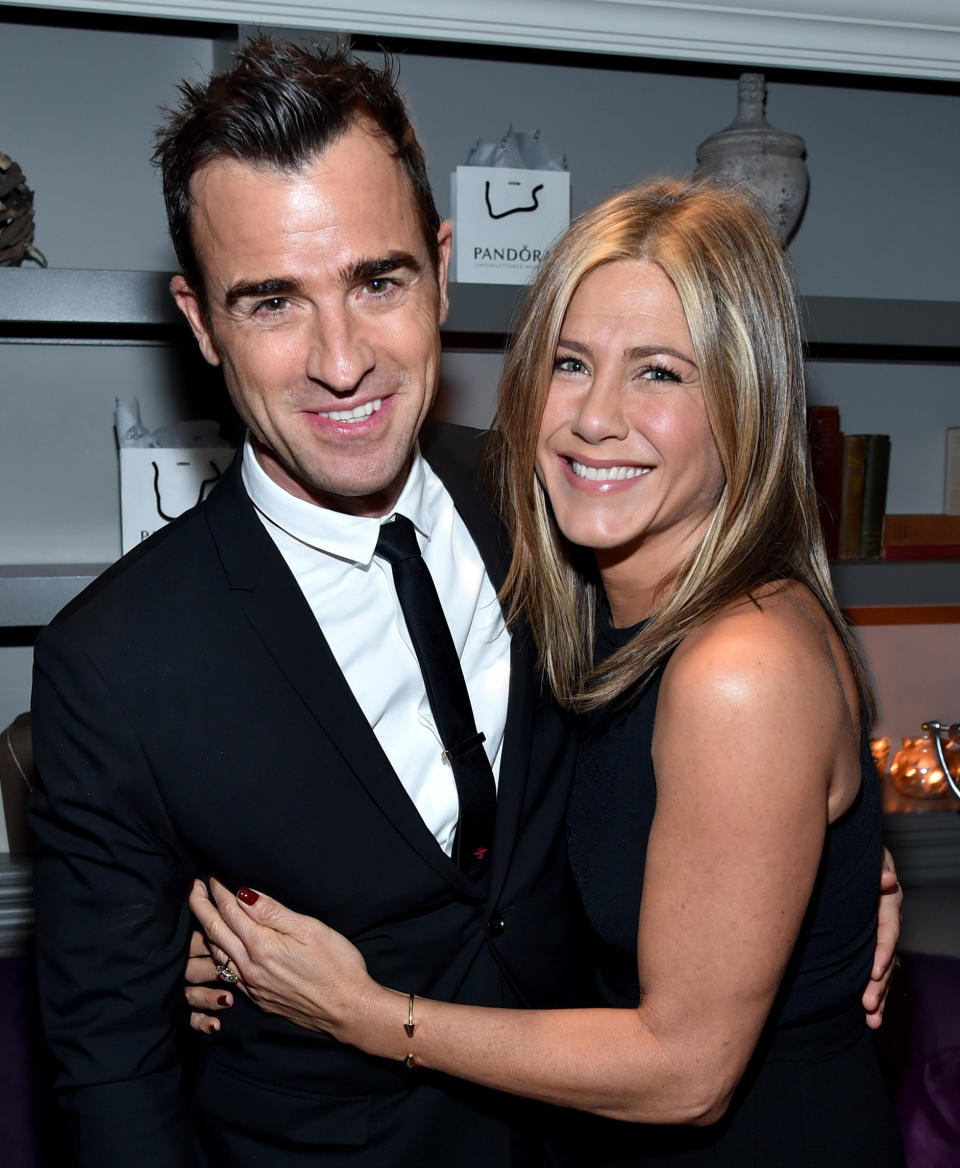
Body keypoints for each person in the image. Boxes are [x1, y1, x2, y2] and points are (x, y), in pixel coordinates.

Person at [185, 178, 906, 1165]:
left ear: (745, 402)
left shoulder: (740, 666)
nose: (596, 417)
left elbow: (687, 1070)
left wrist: (368, 1013)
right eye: (572, 362)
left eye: (660, 373)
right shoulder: (582, 603)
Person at [29, 37, 598, 1168]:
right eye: (273, 302)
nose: (341, 362)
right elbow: (112, 1072)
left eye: (377, 281)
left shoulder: (565, 500)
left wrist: (831, 867)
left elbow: (733, 662)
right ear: (201, 324)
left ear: (440, 267)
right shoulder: (115, 661)